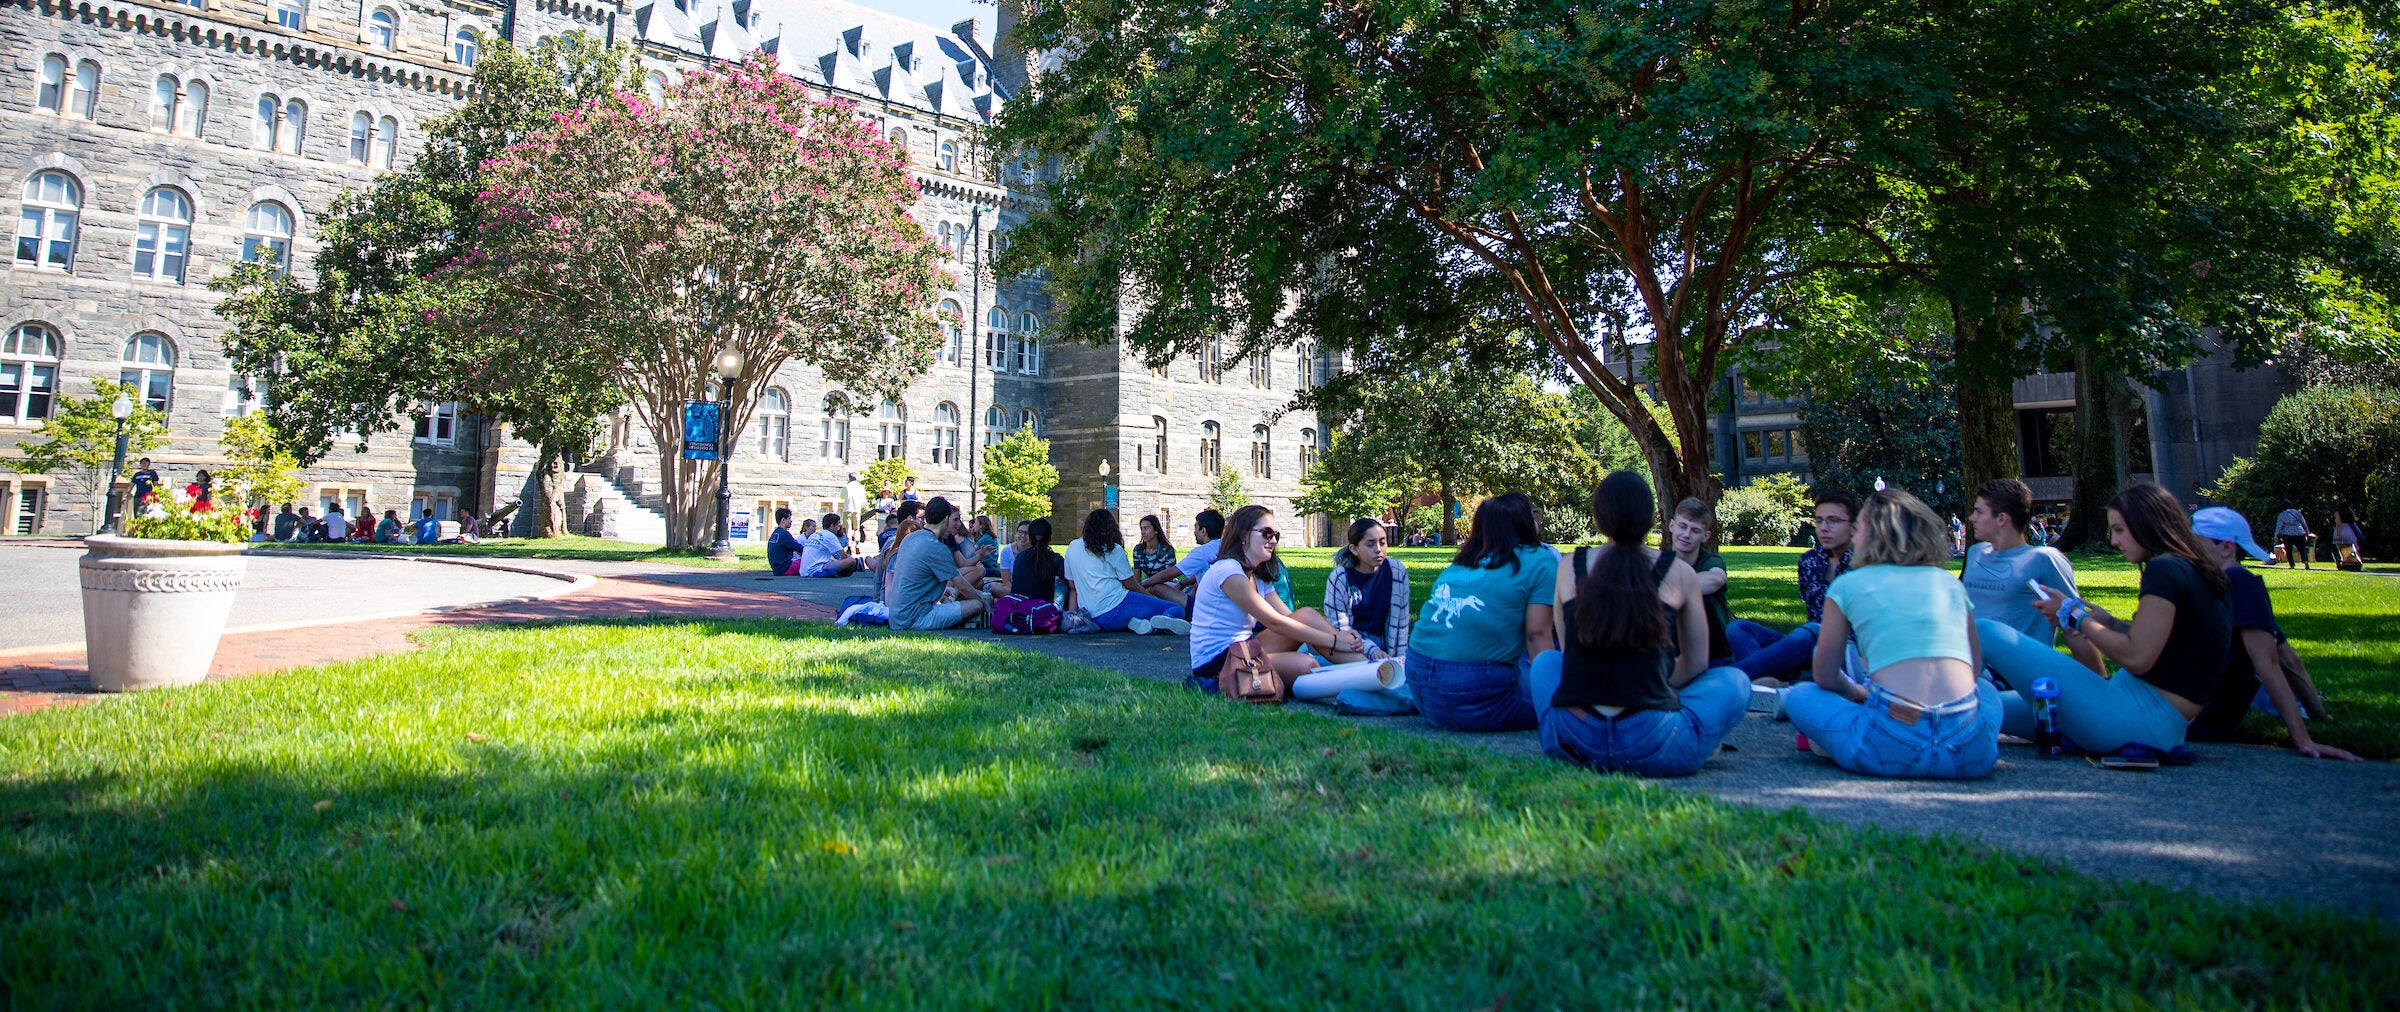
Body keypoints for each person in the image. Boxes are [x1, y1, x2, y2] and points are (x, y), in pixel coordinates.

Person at [1984, 483, 2235, 754]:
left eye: (2119, 530)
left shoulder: (2165, 569)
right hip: (2154, 723)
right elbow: (2170, 643)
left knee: (1986, 631)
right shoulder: (2192, 569)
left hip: (2133, 718)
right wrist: (2110, 623)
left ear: (2147, 524)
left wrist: (2075, 615)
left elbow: (2138, 658)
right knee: (1981, 705)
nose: (2114, 541)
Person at [1531, 472, 1750, 776]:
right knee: (1735, 681)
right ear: (1653, 518)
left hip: (1577, 739)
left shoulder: (1570, 566)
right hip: (1652, 741)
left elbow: (1571, 655)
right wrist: (1647, 684)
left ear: (1599, 518)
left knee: (1545, 663)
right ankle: (1690, 739)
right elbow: (1697, 662)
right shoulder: (1679, 572)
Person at [1787, 487, 2000, 779]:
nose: (1855, 536)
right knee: (1987, 691)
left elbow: (1824, 675)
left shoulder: (1847, 586)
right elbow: (1975, 669)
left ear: (1874, 535)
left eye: (1858, 527)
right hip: (1969, 753)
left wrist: (1857, 692)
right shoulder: (1947, 582)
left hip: (1888, 743)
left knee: (1799, 696)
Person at [2185, 509, 2360, 760]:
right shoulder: (2223, 585)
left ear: (2226, 547)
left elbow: (2270, 662)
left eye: (2193, 541)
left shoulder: (2239, 584)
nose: (2186, 548)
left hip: (2194, 718)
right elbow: (2291, 661)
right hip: (2195, 714)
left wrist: (2303, 739)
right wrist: (2320, 716)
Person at [1406, 493, 1557, 732]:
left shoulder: (1462, 562)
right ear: (1527, 523)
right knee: (1569, 696)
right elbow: (1537, 635)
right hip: (1474, 689)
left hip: (1419, 680)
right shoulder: (1541, 561)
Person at [1185, 505, 1363, 691]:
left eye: (1276, 535)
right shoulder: (1228, 571)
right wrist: (1333, 641)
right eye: (1266, 533)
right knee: (1306, 665)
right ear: (1243, 535)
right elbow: (1275, 622)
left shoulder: (1257, 574)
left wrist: (1339, 634)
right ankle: (1369, 674)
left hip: (1244, 650)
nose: (1273, 541)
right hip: (1218, 664)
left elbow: (1290, 618)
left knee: (1307, 615)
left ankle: (1372, 666)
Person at [1960, 478, 2103, 684]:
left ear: (2001, 518)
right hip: (1969, 667)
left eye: (1979, 512)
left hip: (2016, 675)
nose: (1972, 518)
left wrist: (2101, 687)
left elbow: (2074, 623)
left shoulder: (2043, 560)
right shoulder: (1976, 553)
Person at [1733, 489, 1860, 683]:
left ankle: (1733, 677)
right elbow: (1811, 612)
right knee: (1738, 628)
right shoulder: (1810, 561)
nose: (1824, 528)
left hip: (1845, 649)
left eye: (1833, 521)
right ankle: (1776, 679)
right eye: (1819, 520)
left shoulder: (1864, 564)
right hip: (1808, 644)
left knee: (1813, 632)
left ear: (1854, 526)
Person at [1665, 498, 1774, 668]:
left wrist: (1664, 589)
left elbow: (1716, 579)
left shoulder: (1710, 561)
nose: (1686, 534)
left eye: (1695, 530)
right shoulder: (1659, 562)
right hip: (1668, 656)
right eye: (1682, 526)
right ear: (1672, 525)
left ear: (1705, 536)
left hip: (1714, 657)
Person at [1063, 509, 1190, 632]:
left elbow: (1072, 586)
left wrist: (1073, 615)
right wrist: (1152, 598)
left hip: (1093, 616)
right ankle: (1163, 622)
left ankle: (1139, 624)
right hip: (1116, 605)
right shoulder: (1113, 549)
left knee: (1138, 611)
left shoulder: (1072, 547)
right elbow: (1131, 585)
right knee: (1175, 608)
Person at [887, 497, 986, 631]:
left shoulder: (910, 538)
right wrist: (983, 603)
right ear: (945, 519)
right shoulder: (937, 547)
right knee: (975, 604)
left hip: (896, 617)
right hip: (916, 618)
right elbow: (961, 585)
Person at [1323, 517, 1410, 660]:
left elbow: (1401, 622)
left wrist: (1399, 660)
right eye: (1370, 544)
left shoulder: (1396, 571)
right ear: (1354, 549)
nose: (1378, 549)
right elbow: (1339, 628)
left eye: (1382, 543)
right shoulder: (1340, 578)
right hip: (1353, 647)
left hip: (1386, 645)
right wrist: (1370, 649)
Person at [1148, 509, 1224, 608]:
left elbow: (1167, 574)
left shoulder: (1202, 552)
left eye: (1196, 528)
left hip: (1206, 608)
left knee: (1156, 587)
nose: (1194, 532)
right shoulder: (1227, 547)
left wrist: (1141, 586)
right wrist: (1182, 583)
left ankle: (1168, 613)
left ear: (1203, 531)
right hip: (1226, 605)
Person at [1005, 517, 1063, 602]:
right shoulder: (1054, 559)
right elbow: (1071, 578)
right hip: (1041, 609)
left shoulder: (1020, 557)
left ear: (1030, 537)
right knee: (1066, 583)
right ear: (1050, 537)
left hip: (1017, 608)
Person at [799, 513, 866, 577]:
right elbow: (844, 556)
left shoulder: (815, 534)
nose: (839, 527)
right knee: (851, 561)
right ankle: (857, 565)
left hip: (804, 571)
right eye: (838, 524)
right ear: (832, 525)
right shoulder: (829, 535)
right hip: (816, 571)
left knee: (836, 561)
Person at [1132, 514, 1179, 588]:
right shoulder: (1138, 550)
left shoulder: (1167, 550)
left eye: (1146, 528)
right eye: (1141, 529)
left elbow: (1169, 577)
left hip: (1166, 585)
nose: (1143, 532)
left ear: (1156, 530)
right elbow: (1137, 578)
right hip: (1147, 584)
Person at [767, 508, 807, 575]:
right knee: (810, 563)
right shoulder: (784, 534)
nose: (791, 521)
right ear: (783, 520)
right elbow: (798, 547)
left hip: (777, 568)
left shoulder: (776, 533)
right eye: (789, 518)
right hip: (785, 568)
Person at [2274, 501, 2313, 569]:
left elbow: (2279, 526)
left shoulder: (2281, 514)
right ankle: (2306, 563)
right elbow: (2303, 522)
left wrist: (2276, 535)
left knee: (2288, 549)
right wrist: (2307, 532)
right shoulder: (2297, 512)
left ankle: (2292, 565)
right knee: (2302, 549)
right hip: (2299, 532)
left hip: (2287, 534)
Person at [2332, 504, 2364, 570]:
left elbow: (2339, 525)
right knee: (2351, 549)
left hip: (2341, 532)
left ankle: (2342, 563)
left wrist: (2338, 535)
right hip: (2350, 532)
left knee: (2340, 549)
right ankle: (2354, 562)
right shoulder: (2350, 514)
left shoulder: (2338, 513)